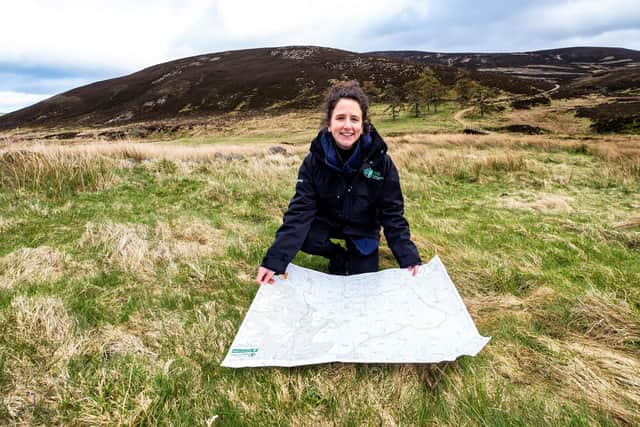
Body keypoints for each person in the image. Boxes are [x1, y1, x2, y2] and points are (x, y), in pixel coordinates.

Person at [256, 81, 421, 285]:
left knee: (364, 279)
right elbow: (300, 212)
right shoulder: (313, 162)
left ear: (363, 124)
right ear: (329, 123)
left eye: (354, 119)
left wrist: (409, 259)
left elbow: (392, 214)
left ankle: (355, 253)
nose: (347, 126)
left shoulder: (382, 163)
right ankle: (336, 254)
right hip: (328, 222)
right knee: (304, 235)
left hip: (363, 228)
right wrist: (274, 261)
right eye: (340, 118)